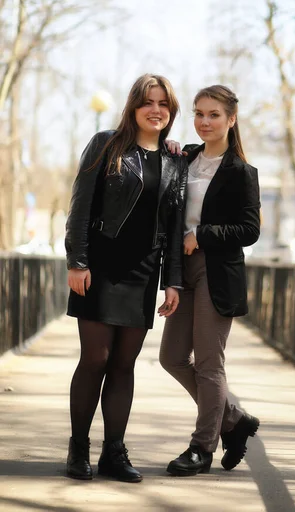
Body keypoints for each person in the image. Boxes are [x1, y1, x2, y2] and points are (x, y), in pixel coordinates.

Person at [65, 74, 186, 483]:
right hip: (99, 266)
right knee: (95, 359)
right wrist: (77, 261)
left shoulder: (174, 160)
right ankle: (78, 448)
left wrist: (173, 281)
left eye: (164, 104)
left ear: (171, 111)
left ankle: (113, 453)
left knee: (123, 364)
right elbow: (81, 206)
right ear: (134, 106)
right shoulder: (106, 144)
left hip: (143, 272)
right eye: (148, 102)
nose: (156, 110)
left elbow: (174, 227)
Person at [159, 84, 261, 476]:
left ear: (231, 119)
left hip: (217, 273)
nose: (204, 121)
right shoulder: (184, 157)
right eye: (198, 113)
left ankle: (202, 447)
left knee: (207, 364)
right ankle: (232, 419)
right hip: (181, 271)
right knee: (170, 358)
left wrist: (202, 234)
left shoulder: (241, 172)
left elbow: (249, 229)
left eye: (213, 114)